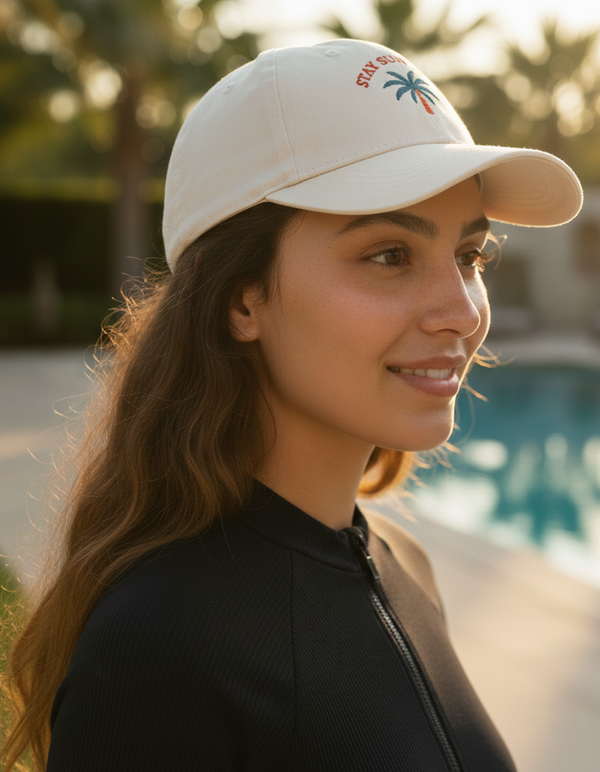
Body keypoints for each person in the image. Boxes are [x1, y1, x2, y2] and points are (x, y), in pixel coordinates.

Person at [1, 39, 582, 772]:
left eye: (469, 257)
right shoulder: (161, 650)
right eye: (389, 255)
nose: (463, 312)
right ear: (241, 299)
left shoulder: (405, 566)